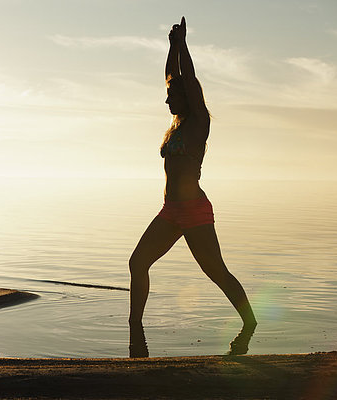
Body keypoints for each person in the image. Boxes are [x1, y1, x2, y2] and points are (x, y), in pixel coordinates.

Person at [128, 17, 257, 354]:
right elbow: (172, 77)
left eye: (172, 96)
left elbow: (189, 80)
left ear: (187, 98)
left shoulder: (198, 122)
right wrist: (171, 45)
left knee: (216, 271)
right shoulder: (176, 124)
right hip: (171, 211)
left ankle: (250, 323)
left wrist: (184, 44)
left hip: (195, 211)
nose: (167, 100)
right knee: (137, 263)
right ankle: (134, 329)